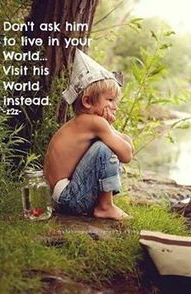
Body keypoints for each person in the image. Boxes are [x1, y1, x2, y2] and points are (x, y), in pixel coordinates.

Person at [44, 48, 134, 220]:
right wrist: (109, 128)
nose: (115, 106)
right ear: (87, 101)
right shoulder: (94, 122)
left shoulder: (84, 123)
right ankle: (105, 207)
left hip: (61, 199)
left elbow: (128, 145)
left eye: (115, 101)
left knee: (106, 144)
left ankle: (103, 205)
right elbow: (127, 154)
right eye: (109, 100)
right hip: (69, 198)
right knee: (104, 149)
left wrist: (110, 128)